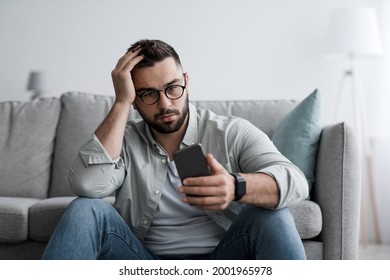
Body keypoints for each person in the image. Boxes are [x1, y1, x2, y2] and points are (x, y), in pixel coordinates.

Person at [43, 39, 309, 260]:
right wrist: (122, 102)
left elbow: (296, 182)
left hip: (224, 261)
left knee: (271, 214)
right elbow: (87, 186)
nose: (165, 104)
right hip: (142, 262)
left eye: (173, 88)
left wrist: (236, 186)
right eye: (148, 94)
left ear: (186, 82)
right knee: (84, 209)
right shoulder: (124, 140)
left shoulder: (231, 131)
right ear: (135, 98)